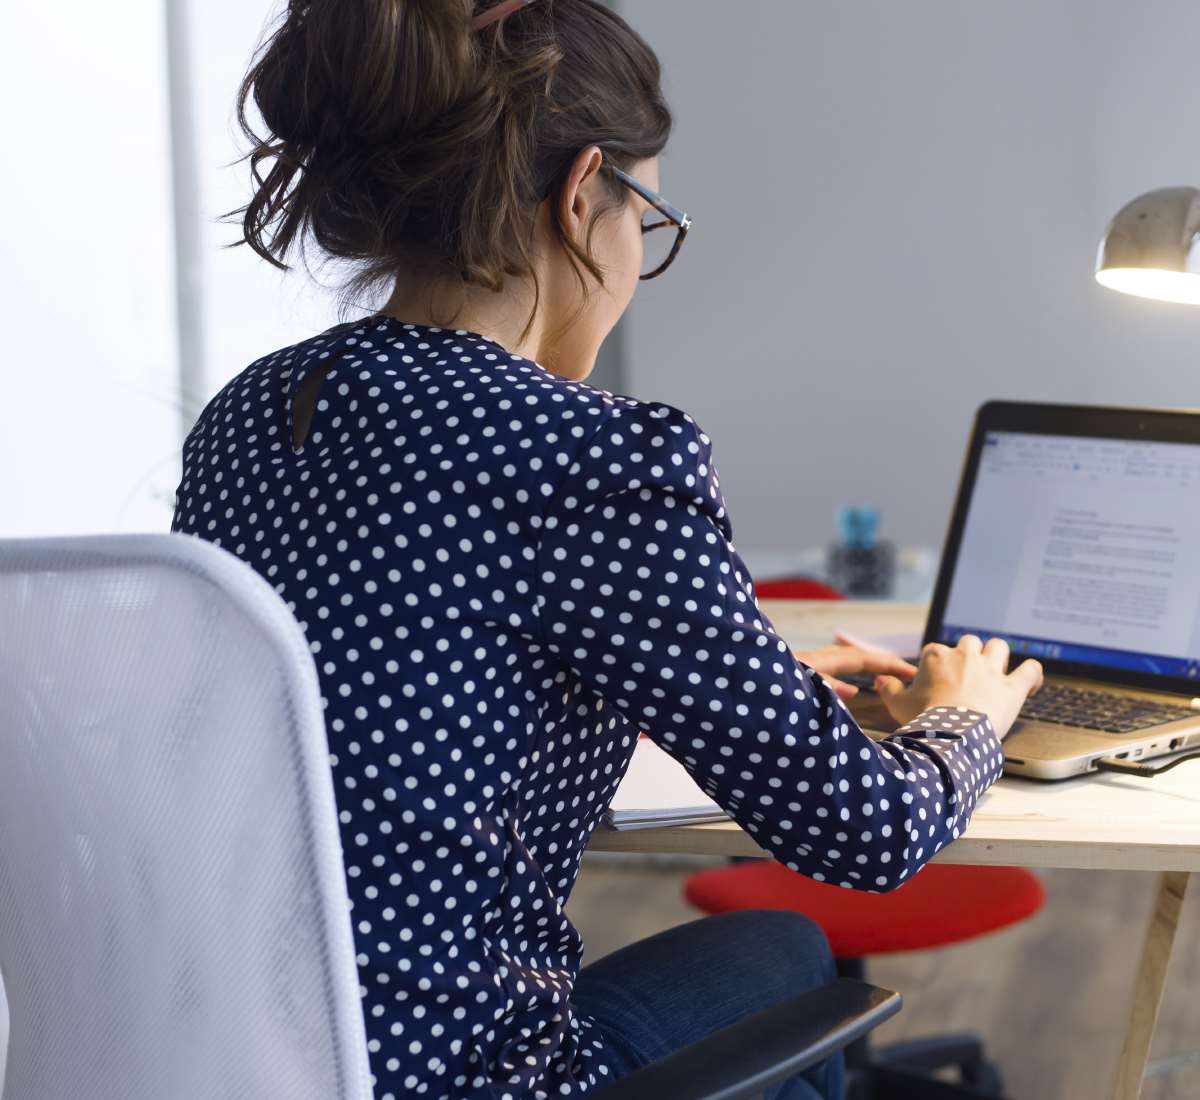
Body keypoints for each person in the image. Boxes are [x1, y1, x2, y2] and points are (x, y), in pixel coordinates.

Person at [171, 2, 1044, 1097]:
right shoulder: (590, 454)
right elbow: (861, 831)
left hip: (233, 1058)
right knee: (784, 954)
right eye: (649, 218)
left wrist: (731, 681)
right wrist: (968, 716)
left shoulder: (252, 416)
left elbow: (388, 689)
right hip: (464, 1078)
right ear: (584, 195)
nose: (638, 256)